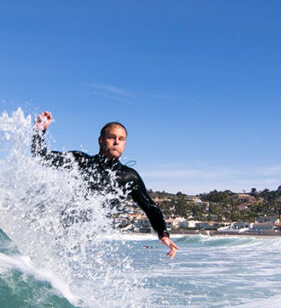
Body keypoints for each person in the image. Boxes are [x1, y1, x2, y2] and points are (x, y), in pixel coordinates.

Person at [32, 111, 179, 259]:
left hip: (82, 239)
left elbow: (150, 207)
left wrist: (163, 234)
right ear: (100, 140)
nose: (116, 142)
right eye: (111, 138)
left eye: (121, 139)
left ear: (125, 144)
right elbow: (41, 157)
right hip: (59, 225)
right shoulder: (81, 162)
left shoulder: (129, 177)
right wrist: (39, 130)